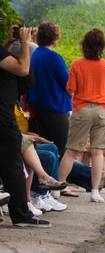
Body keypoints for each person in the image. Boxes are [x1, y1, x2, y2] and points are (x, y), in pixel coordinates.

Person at [57, 28, 105, 204]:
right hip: (102, 111)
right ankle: (94, 191)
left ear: (84, 45)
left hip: (82, 110)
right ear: (102, 47)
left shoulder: (77, 64)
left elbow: (70, 88)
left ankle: (58, 188)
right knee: (98, 152)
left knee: (71, 151)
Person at [1, 25, 51, 227]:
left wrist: (9, 43)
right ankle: (22, 215)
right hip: (3, 117)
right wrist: (23, 42)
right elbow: (22, 68)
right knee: (13, 167)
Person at [28, 22, 73, 156]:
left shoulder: (35, 54)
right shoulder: (54, 57)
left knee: (47, 145)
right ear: (55, 38)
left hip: (38, 105)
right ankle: (66, 175)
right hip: (55, 106)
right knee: (63, 146)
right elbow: (67, 83)